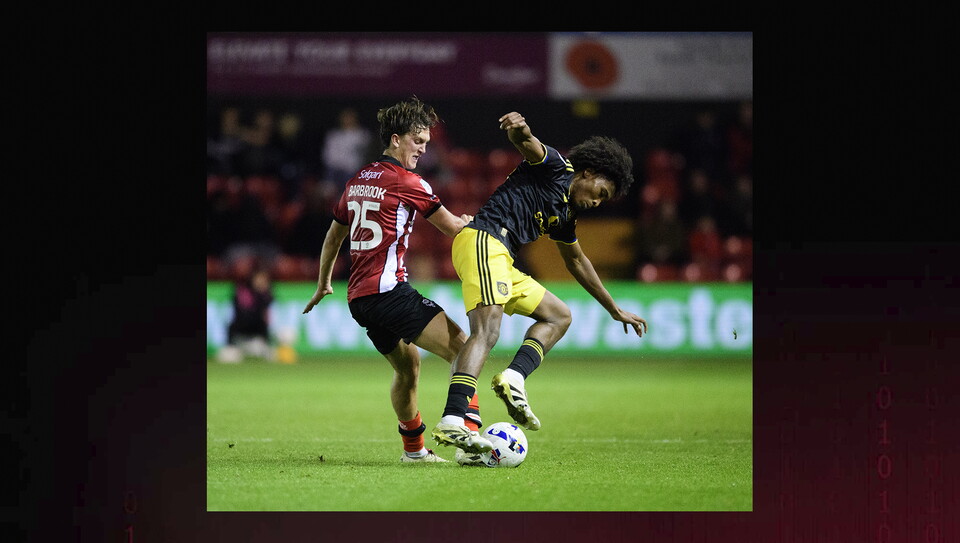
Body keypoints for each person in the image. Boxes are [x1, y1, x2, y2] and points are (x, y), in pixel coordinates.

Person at [431, 111, 649, 458]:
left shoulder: (565, 216)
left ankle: (514, 378)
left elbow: (576, 261)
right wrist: (520, 129)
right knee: (487, 331)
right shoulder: (557, 168)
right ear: (588, 173)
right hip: (485, 240)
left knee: (559, 316)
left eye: (603, 200)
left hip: (502, 258)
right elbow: (527, 144)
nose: (597, 202)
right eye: (601, 192)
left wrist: (614, 308)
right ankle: (453, 417)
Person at [302, 97, 484, 464]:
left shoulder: (357, 180)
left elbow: (334, 236)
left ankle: (414, 452)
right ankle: (471, 433)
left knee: (408, 368)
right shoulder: (409, 181)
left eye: (427, 143)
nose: (423, 149)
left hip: (361, 300)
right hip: (389, 293)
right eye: (418, 141)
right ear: (396, 139)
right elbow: (450, 227)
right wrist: (468, 223)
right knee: (465, 348)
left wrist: (323, 281)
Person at [217, 265, 275, 363]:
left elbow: (266, 315)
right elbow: (245, 314)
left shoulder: (266, 294)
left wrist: (263, 295)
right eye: (259, 278)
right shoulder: (242, 290)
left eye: (264, 279)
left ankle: (264, 347)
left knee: (263, 325)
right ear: (253, 278)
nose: (261, 281)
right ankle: (232, 348)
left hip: (257, 335)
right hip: (239, 333)